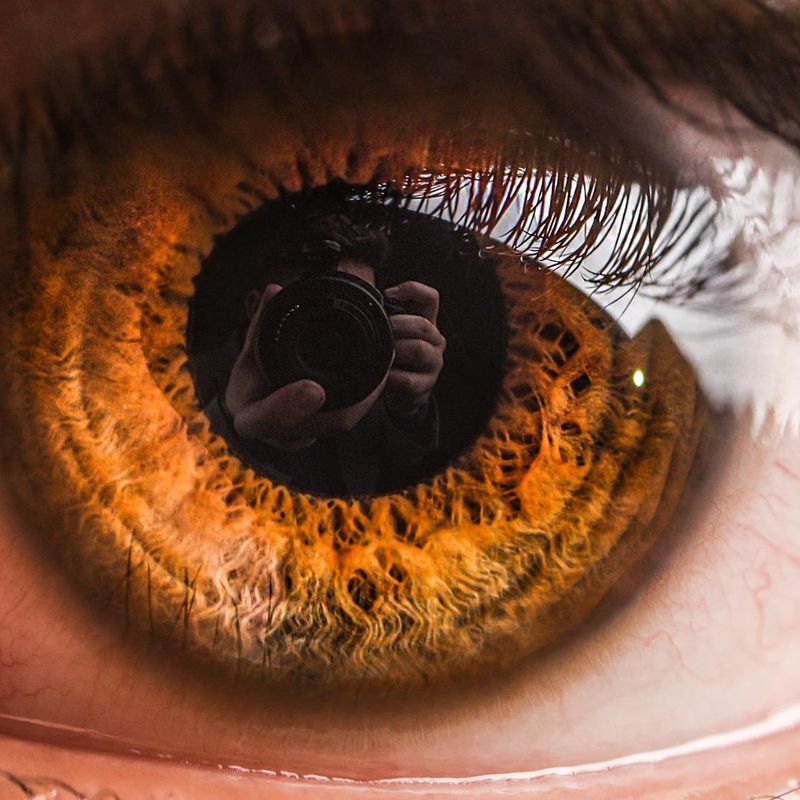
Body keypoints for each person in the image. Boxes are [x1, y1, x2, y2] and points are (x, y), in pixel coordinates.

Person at [202, 214, 447, 495]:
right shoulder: (182, 380)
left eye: (356, 306)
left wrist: (411, 408)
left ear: (381, 313)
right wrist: (226, 429)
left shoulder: (379, 370)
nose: (331, 332)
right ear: (257, 306)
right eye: (311, 306)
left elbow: (415, 488)